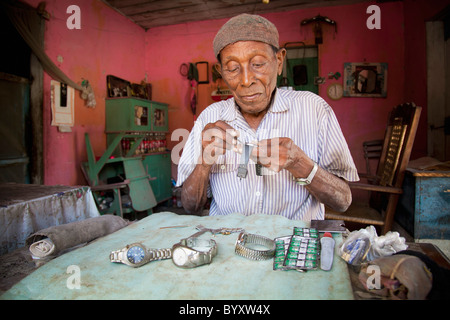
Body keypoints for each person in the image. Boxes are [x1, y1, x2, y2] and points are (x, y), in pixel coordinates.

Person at [176, 13, 359, 220]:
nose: (246, 80)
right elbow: (190, 207)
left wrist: (299, 163)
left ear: (279, 61)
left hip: (293, 245)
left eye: (258, 64)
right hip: (228, 242)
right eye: (233, 68)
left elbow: (343, 201)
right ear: (221, 71)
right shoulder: (209, 118)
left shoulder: (314, 109)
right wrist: (203, 162)